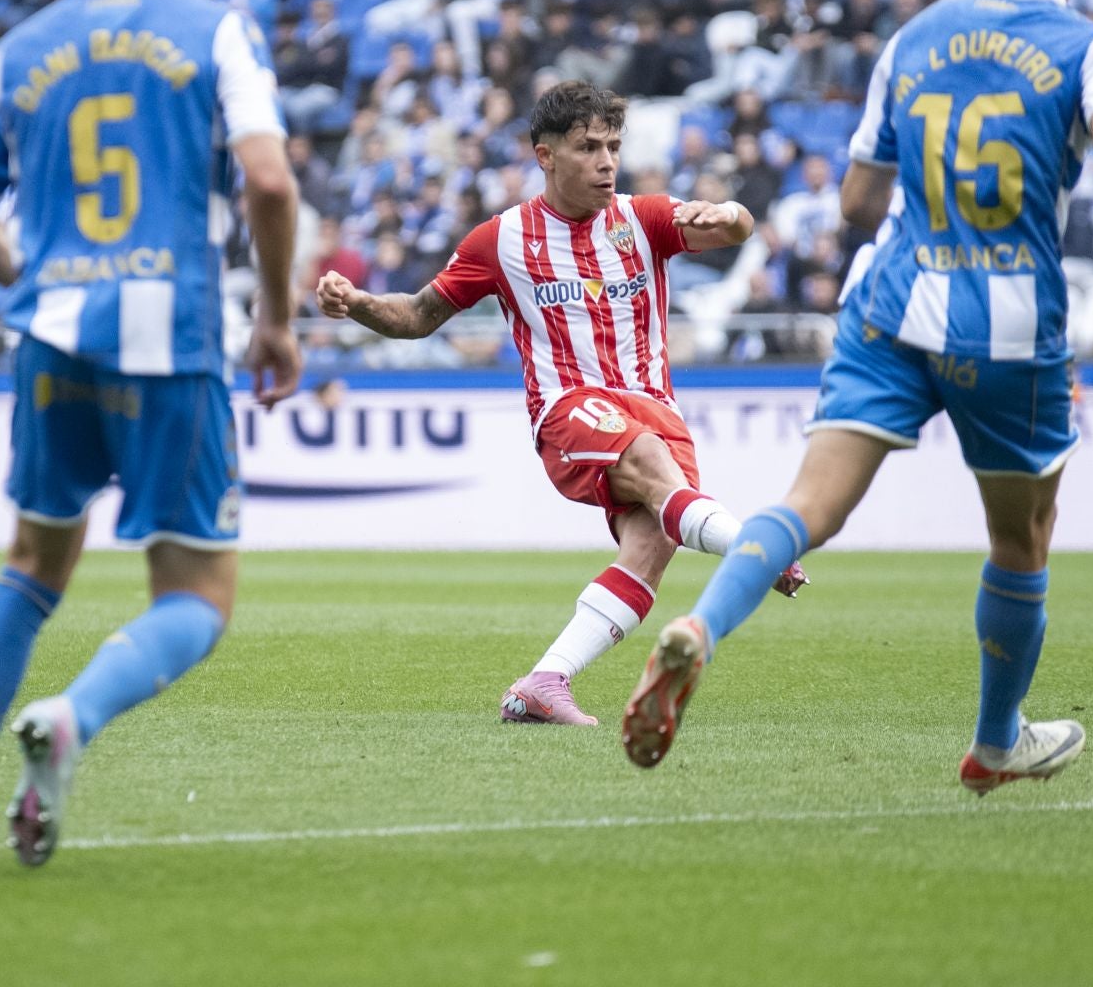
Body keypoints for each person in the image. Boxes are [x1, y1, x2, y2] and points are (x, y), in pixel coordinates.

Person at [618, 0, 1093, 791]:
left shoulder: (915, 36)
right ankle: (996, 740)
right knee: (1022, 539)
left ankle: (700, 628)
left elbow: (857, 201)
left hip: (890, 302)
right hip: (1008, 321)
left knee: (809, 506)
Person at [0, 0, 302, 867]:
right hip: (168, 334)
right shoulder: (215, 30)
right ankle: (73, 715)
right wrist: (273, 317)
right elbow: (267, 179)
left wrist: (40, 281)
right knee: (196, 595)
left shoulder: (16, 48)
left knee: (32, 565)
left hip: (50, 337)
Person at [314, 81, 805, 727]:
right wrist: (357, 304)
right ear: (545, 156)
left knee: (652, 545)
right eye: (587, 148)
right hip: (571, 410)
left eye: (613, 146)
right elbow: (417, 316)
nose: (606, 161)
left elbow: (735, 228)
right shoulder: (502, 240)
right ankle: (756, 548)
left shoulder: (645, 217)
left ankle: (545, 681)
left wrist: (730, 213)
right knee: (652, 464)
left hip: (655, 406)